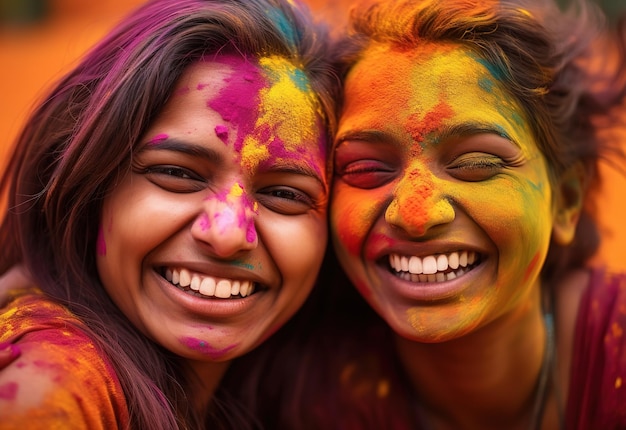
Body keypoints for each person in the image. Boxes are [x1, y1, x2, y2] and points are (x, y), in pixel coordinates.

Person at [231, 0, 626, 428]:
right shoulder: (293, 396)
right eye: (366, 169)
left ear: (565, 201)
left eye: (475, 164)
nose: (416, 214)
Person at [0, 0, 338, 427]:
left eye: (285, 194)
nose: (228, 234)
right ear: (87, 189)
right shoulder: (51, 382)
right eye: (177, 173)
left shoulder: (318, 386)